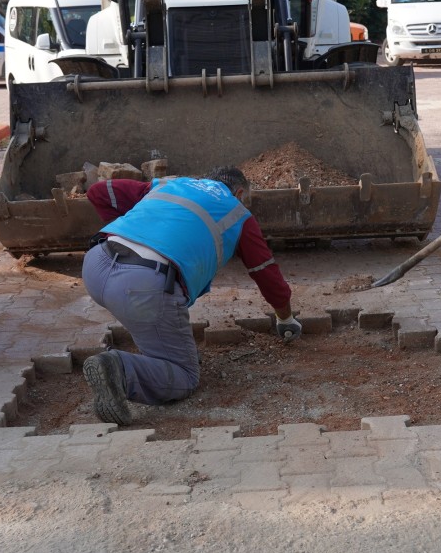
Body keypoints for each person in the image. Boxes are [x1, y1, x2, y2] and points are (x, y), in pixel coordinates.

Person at [80, 167, 299, 426]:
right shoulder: (238, 213)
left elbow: (98, 192)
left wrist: (128, 232)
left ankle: (150, 350)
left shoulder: (169, 184)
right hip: (143, 286)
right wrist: (284, 317)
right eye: (245, 198)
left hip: (96, 263)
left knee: (147, 313)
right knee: (185, 375)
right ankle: (119, 369)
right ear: (239, 192)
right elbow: (265, 272)